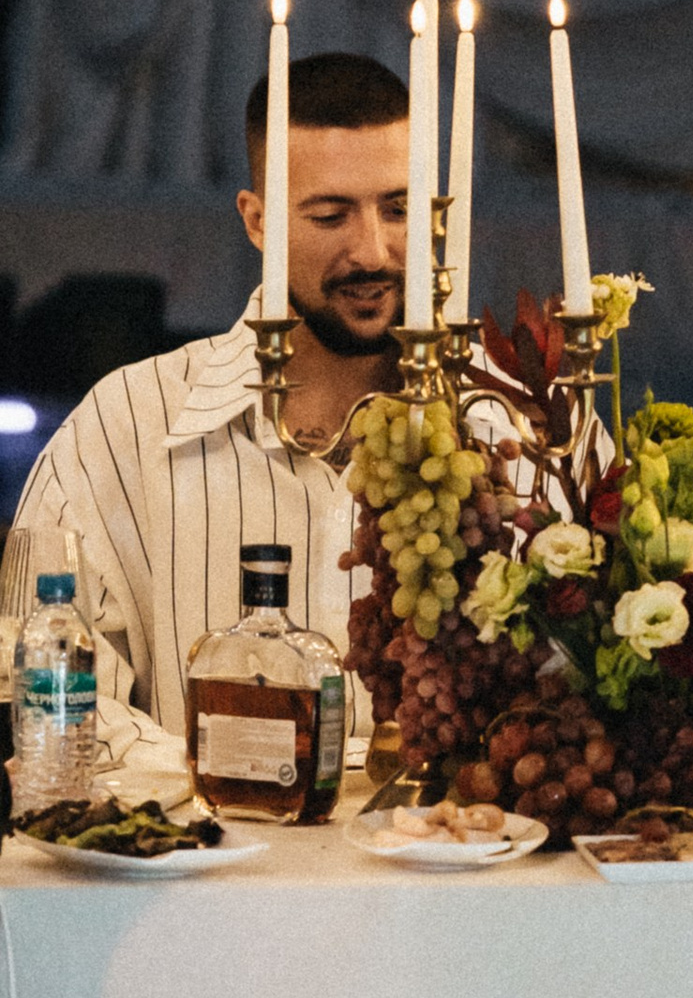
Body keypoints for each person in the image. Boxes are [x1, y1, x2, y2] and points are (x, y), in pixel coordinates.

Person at [12, 52, 412, 731]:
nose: (372, 251)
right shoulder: (124, 430)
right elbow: (46, 709)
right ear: (257, 221)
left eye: (398, 208)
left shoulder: (517, 425)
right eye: (330, 216)